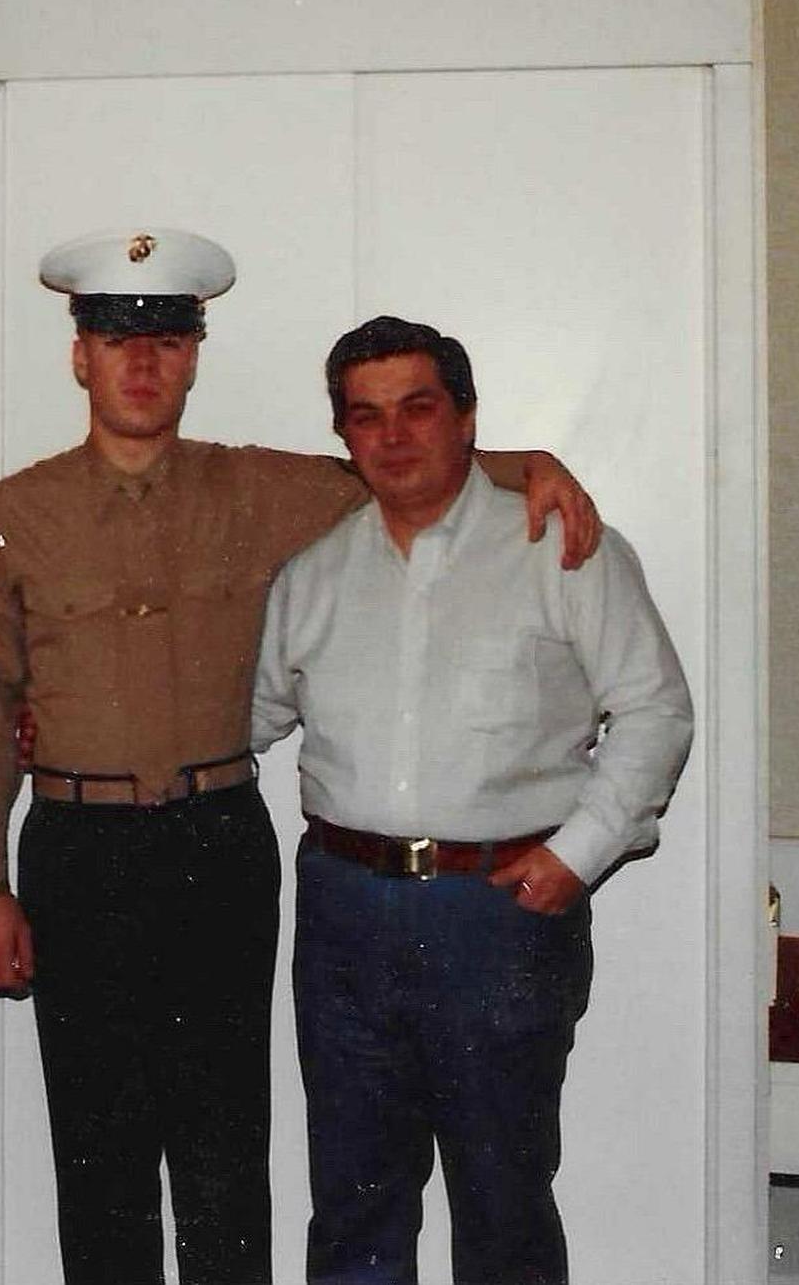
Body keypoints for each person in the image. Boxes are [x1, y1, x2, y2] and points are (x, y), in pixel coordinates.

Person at [0, 233, 602, 1285]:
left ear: (196, 353)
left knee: (223, 1148)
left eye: (166, 337)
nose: (143, 361)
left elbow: (404, 467)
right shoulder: (13, 516)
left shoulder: (261, 488)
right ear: (81, 357)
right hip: (79, 851)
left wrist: (533, 465)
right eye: (117, 338)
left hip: (215, 845)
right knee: (98, 1149)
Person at [251, 314, 694, 1285]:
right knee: (355, 1201)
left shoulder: (560, 546)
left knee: (503, 1207)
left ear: (465, 417)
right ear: (343, 433)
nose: (395, 435)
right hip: (344, 915)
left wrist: (578, 852)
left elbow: (656, 707)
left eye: (419, 406)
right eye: (366, 416)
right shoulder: (313, 571)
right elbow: (242, 717)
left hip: (493, 914)